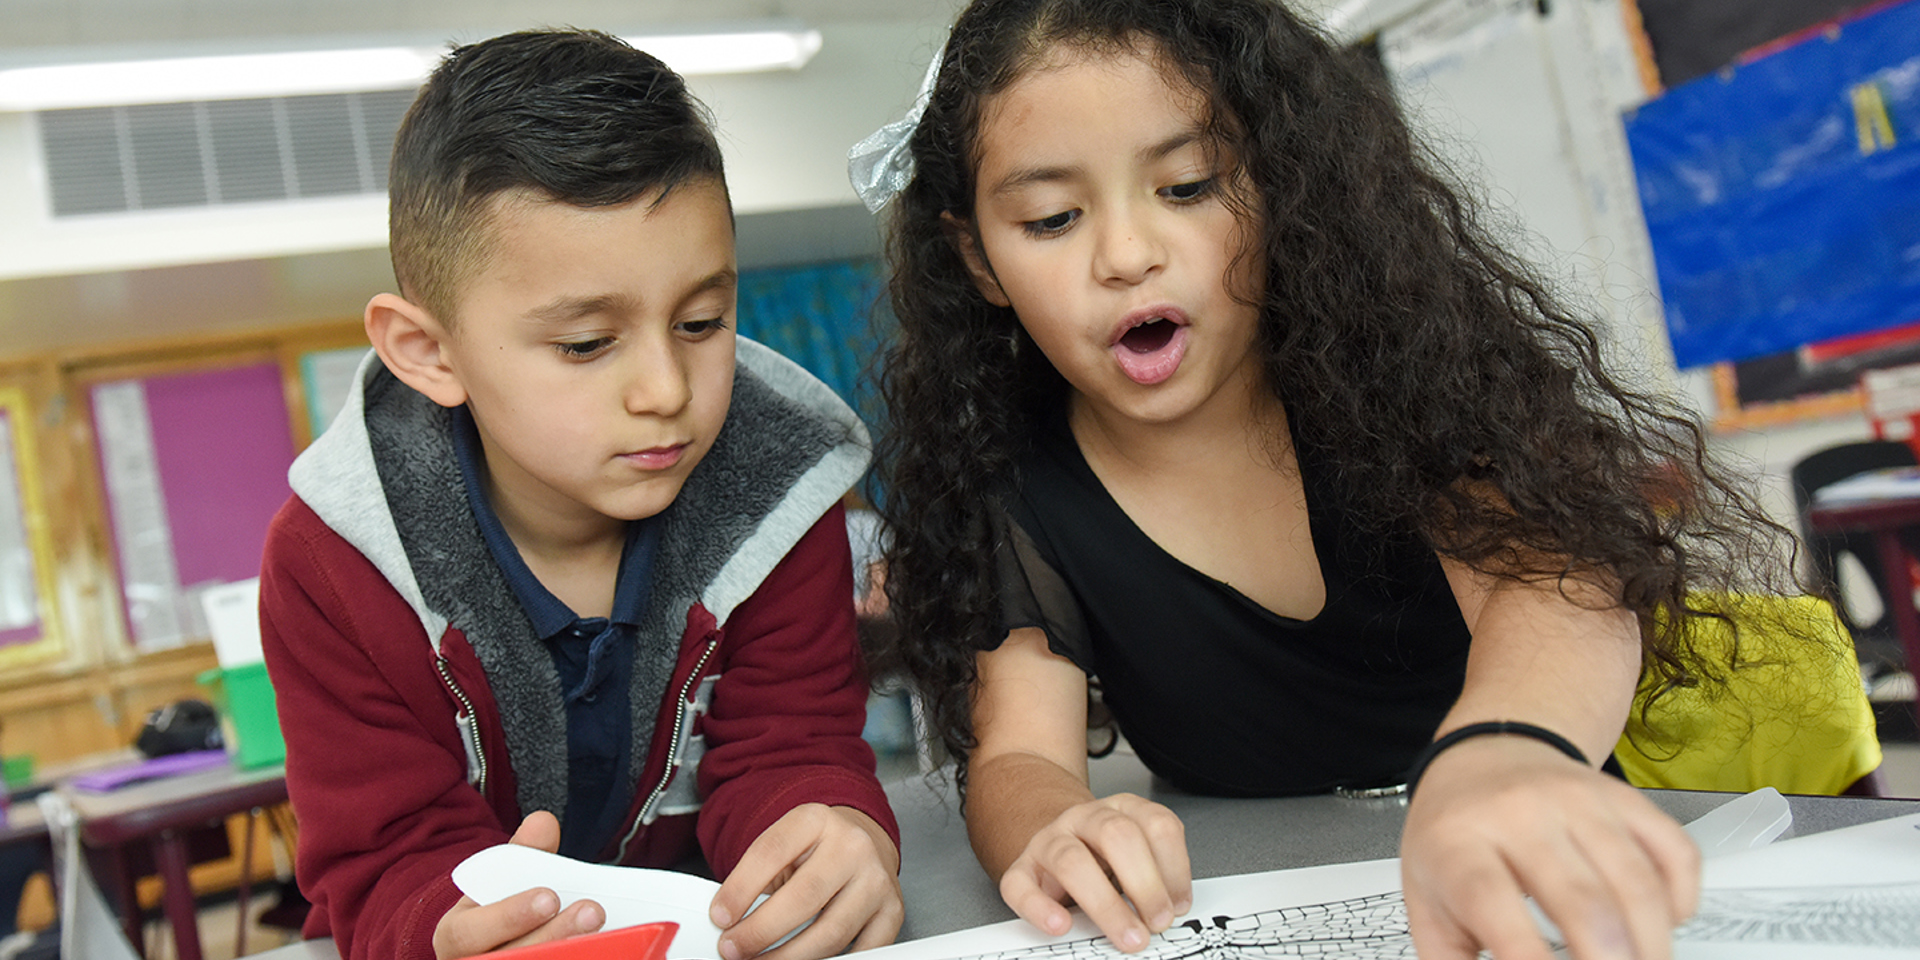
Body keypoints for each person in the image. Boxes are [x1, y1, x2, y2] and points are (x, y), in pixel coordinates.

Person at [859, 1, 1807, 958]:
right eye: (1053, 218)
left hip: (1530, 870)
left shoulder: (1394, 377)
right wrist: (1055, 827)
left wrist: (1504, 752)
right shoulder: (1018, 485)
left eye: (1187, 187)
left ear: (1281, 185)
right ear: (980, 257)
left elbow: (1557, 593)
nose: (1127, 256)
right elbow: (1020, 753)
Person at [260, 29, 901, 960]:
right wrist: (446, 934)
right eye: (587, 344)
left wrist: (831, 830)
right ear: (430, 353)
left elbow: (791, 749)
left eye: (700, 321)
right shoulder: (333, 564)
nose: (667, 391)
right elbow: (386, 857)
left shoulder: (783, 493)